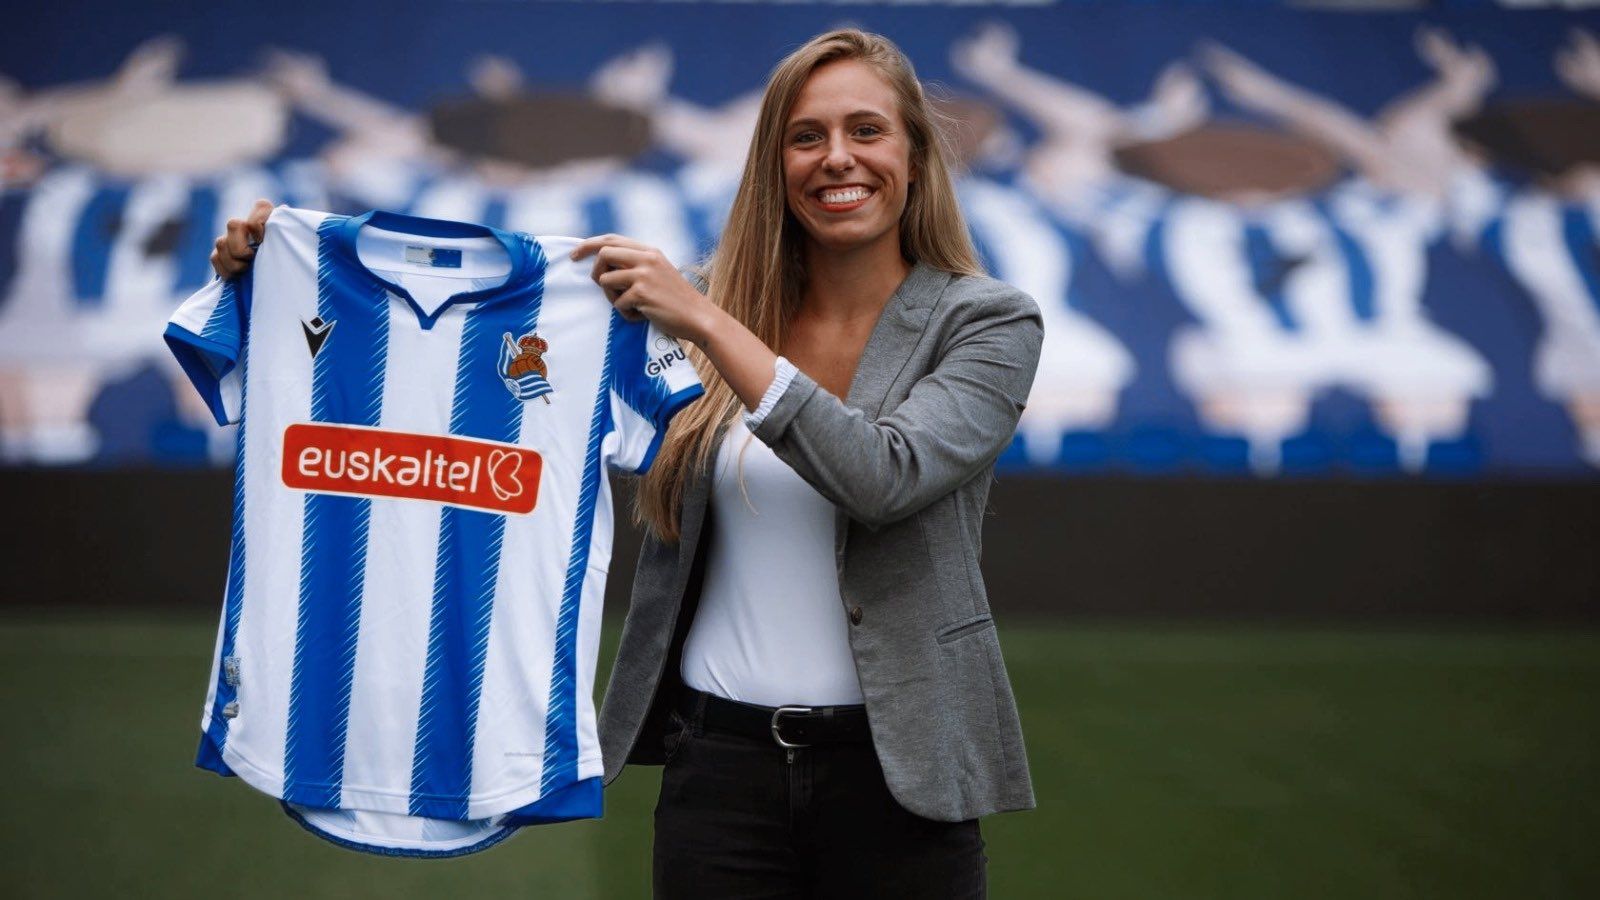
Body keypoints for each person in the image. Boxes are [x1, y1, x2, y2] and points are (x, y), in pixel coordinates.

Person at [210, 28, 1041, 898]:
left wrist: (713, 323)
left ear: (915, 154)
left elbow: (885, 476)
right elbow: (486, 312)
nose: (838, 157)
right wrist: (285, 269)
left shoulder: (986, 321)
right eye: (806, 136)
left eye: (866, 130)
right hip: (718, 775)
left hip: (902, 777)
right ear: (774, 163)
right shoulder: (695, 306)